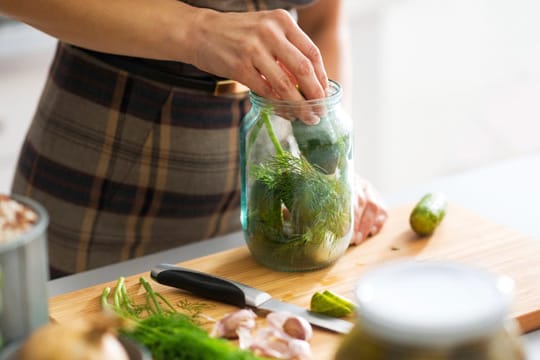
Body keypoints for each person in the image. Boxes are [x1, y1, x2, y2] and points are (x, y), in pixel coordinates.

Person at [1, 0, 387, 278]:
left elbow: (322, 20)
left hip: (255, 209)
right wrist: (197, 30)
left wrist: (333, 173)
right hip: (103, 189)